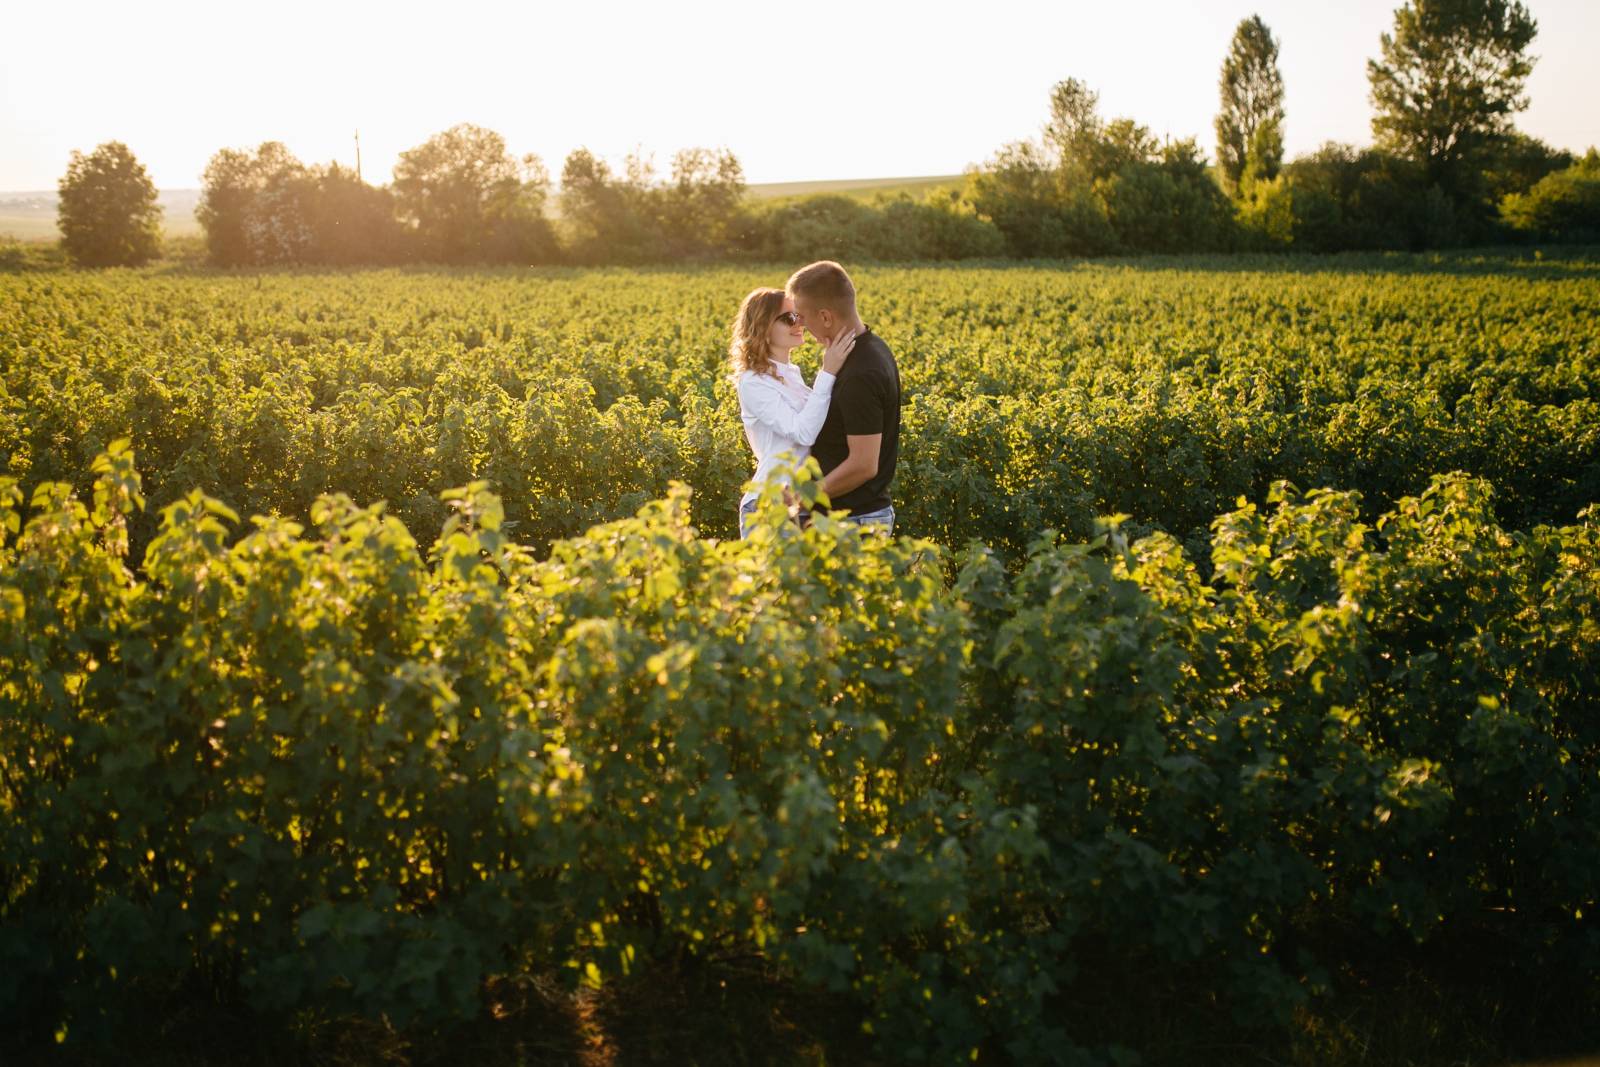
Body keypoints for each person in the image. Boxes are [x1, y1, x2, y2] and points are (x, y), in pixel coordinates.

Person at [730, 286, 858, 539]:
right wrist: (828, 372)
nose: (799, 323)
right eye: (788, 318)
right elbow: (804, 432)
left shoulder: (791, 375)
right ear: (763, 327)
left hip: (799, 500)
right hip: (770, 504)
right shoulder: (754, 382)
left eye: (798, 315)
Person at [786, 261, 901, 535]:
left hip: (852, 523)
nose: (798, 324)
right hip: (850, 518)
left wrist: (801, 499)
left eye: (801, 316)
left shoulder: (861, 372)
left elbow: (863, 465)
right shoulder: (869, 348)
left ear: (826, 317)